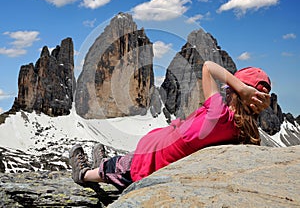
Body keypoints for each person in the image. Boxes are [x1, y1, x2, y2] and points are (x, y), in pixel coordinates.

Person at [69, 61, 271, 191]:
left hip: (148, 162)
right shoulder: (243, 132)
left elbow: (208, 66)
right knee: (121, 160)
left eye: (230, 87)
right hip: (158, 152)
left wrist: (241, 87)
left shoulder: (219, 113)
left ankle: (85, 174)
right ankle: (102, 162)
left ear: (236, 91)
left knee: (115, 168)